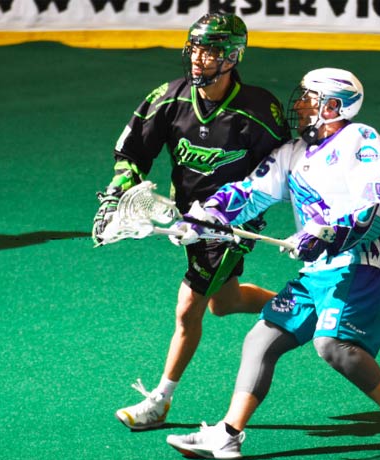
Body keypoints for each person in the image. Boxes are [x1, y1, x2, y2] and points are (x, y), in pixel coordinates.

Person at [165, 68, 380, 460]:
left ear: (334, 106)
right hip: (318, 270)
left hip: (361, 263)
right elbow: (249, 192)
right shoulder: (294, 152)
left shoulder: (363, 141)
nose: (300, 104)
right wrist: (205, 217)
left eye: (310, 98)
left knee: (333, 344)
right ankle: (228, 435)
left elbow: (375, 208)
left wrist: (325, 233)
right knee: (261, 340)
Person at [91, 13, 290, 431]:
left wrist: (235, 214)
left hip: (229, 227)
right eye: (196, 48)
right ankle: (305, 309)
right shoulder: (171, 97)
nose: (200, 58)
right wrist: (120, 184)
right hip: (186, 221)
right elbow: (132, 152)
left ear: (233, 56)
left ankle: (159, 401)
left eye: (212, 50)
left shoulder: (259, 111)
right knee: (224, 302)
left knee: (188, 309)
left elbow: (281, 171)